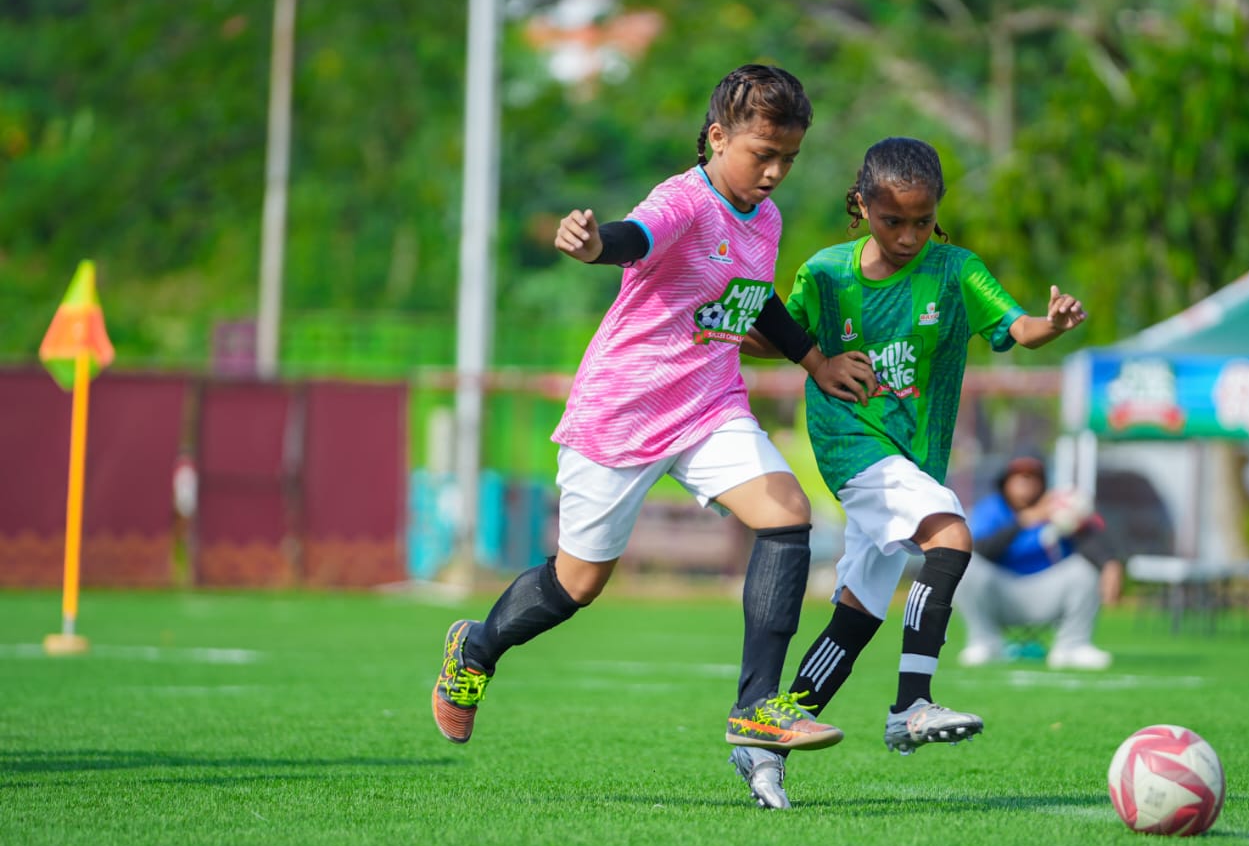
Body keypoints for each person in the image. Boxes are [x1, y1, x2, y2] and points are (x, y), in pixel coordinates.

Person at [429, 65, 880, 795]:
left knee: (786, 515)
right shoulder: (684, 199)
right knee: (577, 585)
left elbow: (754, 299)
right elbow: (636, 237)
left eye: (787, 159)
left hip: (709, 406)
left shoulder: (764, 219)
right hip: (623, 413)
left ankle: (757, 708)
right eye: (761, 153)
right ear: (715, 138)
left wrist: (815, 361)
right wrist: (591, 245)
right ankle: (475, 649)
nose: (773, 172)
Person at [741, 136, 1087, 808]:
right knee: (951, 536)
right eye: (892, 220)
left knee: (858, 615)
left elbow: (1016, 329)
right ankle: (911, 704)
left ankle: (764, 743)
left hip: (910, 458)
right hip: (850, 445)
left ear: (937, 214)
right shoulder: (826, 273)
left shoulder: (957, 272)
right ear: (862, 205)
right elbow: (778, 338)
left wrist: (1053, 324)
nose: (908, 235)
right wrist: (723, 319)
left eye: (922, 222)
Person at [955, 454, 1117, 671]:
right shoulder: (991, 508)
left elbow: (1093, 547)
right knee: (966, 564)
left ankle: (1072, 646)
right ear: (1007, 482)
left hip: (1046, 591)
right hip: (1001, 592)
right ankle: (985, 643)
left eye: (1032, 478)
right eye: (1020, 477)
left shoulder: (1059, 508)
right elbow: (984, 549)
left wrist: (1109, 562)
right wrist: (1027, 519)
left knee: (1085, 568)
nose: (1026, 483)